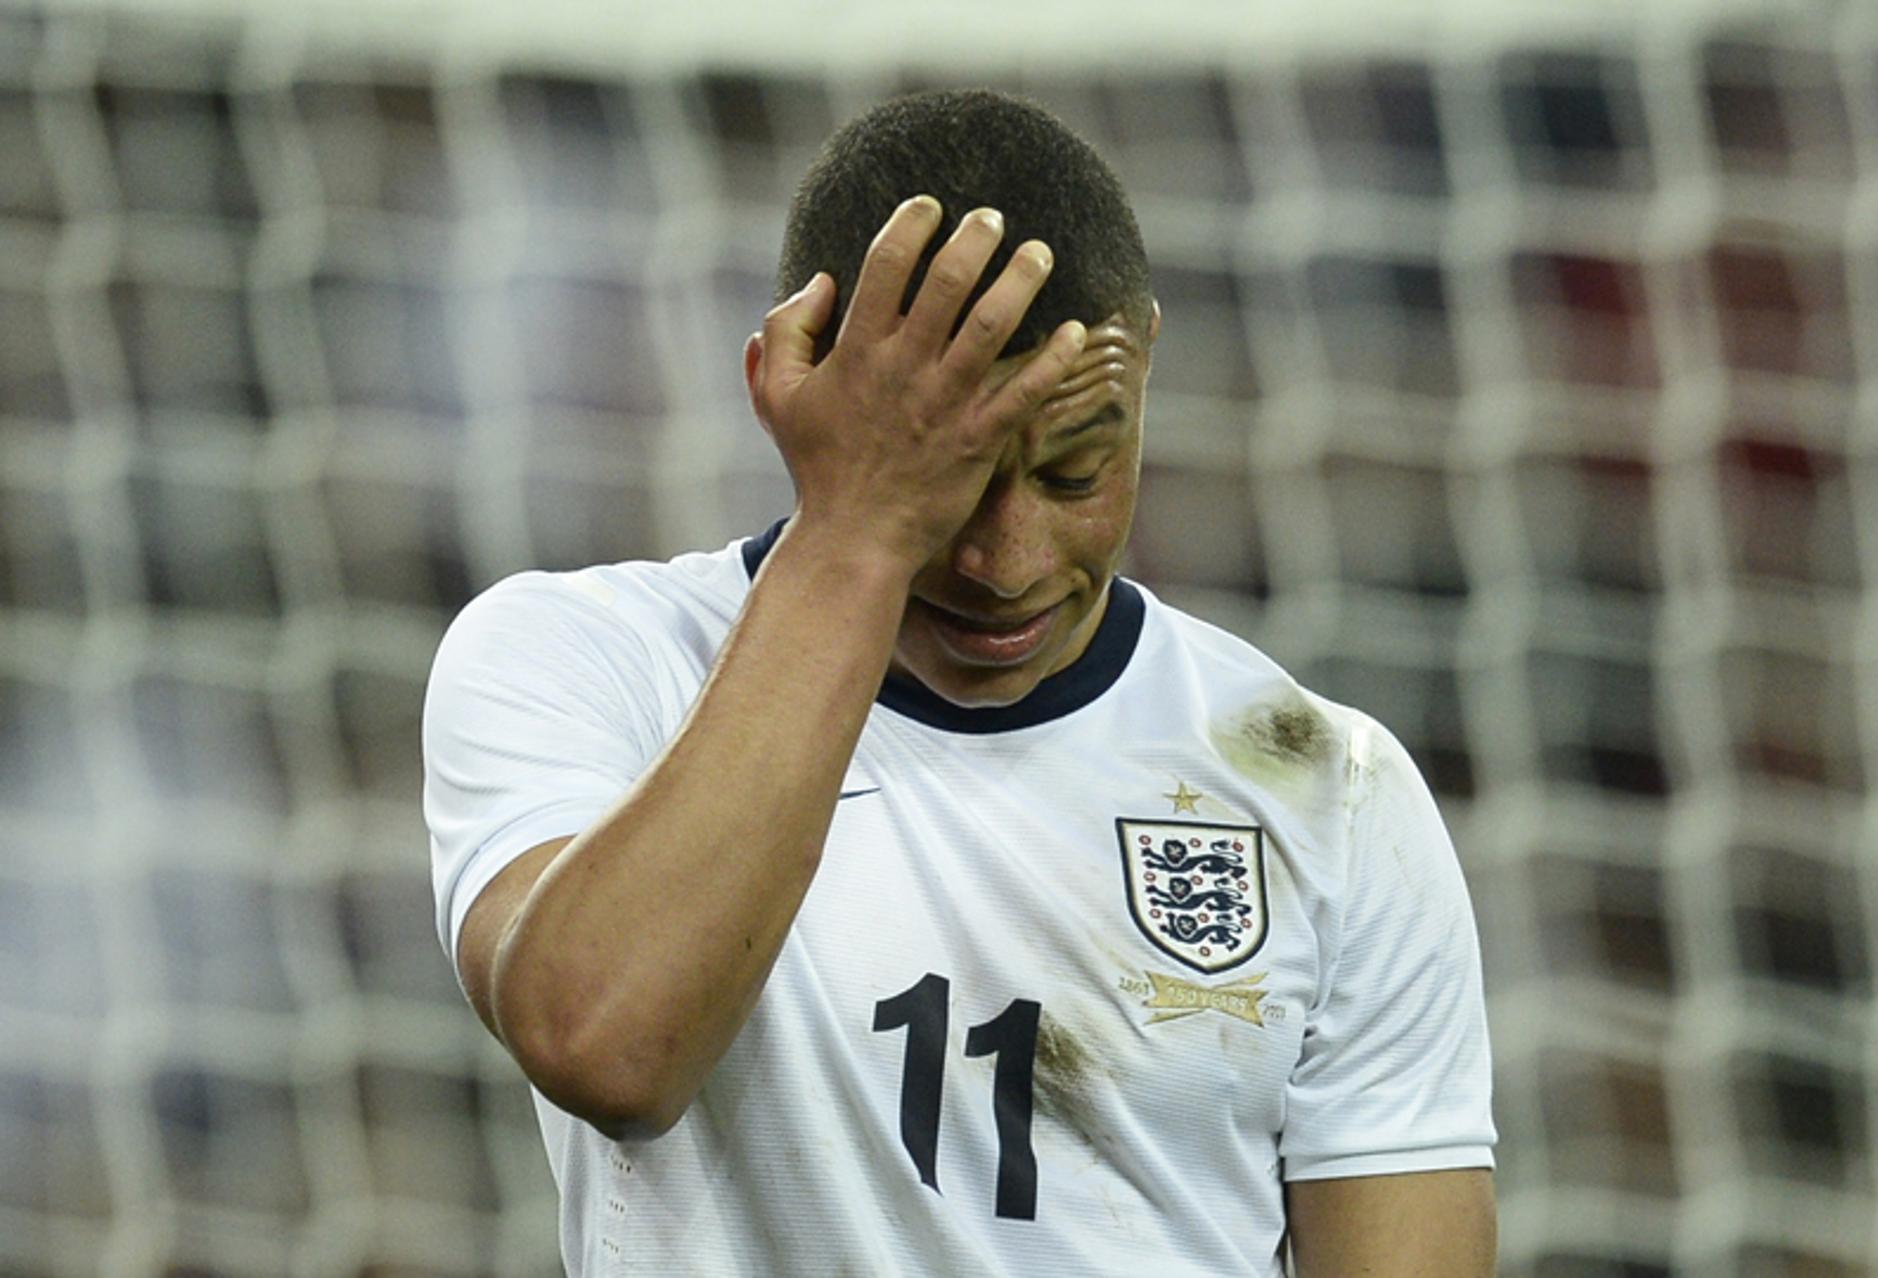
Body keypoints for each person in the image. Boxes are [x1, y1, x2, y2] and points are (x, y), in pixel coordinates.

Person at [424, 88, 1496, 1275]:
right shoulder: (583, 661)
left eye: (1078, 472)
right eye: (950, 485)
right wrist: (863, 524)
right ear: (789, 392)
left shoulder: (1323, 786)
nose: (1008, 562)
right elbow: (610, 1048)